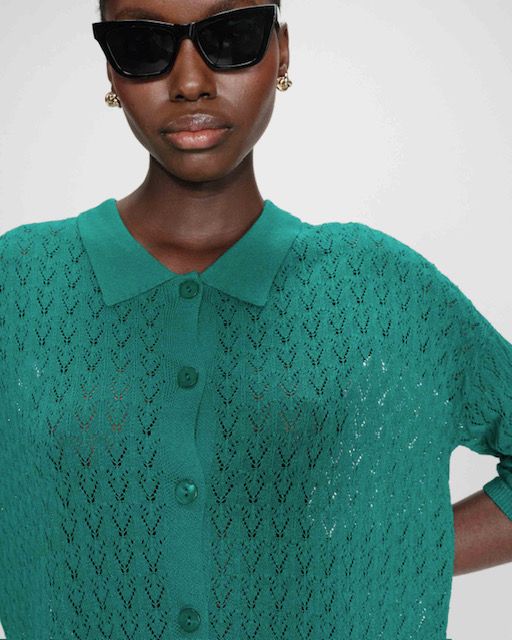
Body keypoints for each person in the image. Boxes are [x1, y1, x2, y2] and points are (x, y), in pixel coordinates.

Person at [0, 1, 510, 639]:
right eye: (143, 46)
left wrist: (393, 554)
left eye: (231, 37)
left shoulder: (378, 287)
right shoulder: (19, 284)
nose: (190, 82)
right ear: (110, 68)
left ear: (281, 51)